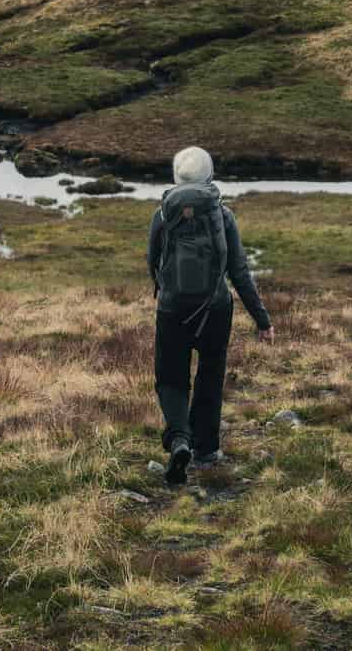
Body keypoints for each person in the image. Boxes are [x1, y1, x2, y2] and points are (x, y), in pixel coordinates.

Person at [147, 145, 273, 485]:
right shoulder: (223, 216)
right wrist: (262, 320)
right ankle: (206, 449)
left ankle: (179, 440)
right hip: (216, 309)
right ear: (210, 176)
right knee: (210, 373)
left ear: (175, 176)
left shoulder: (161, 215)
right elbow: (239, 272)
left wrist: (164, 291)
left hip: (172, 309)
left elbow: (152, 261)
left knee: (170, 377)